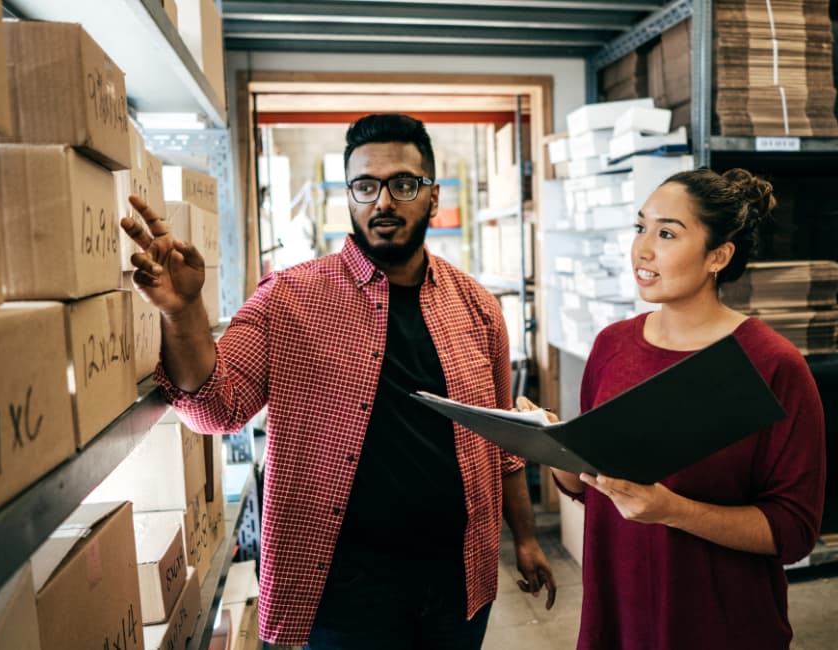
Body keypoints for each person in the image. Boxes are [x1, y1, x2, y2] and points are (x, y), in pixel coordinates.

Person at [120, 113, 556, 649]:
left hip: (458, 578)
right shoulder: (289, 298)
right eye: (365, 186)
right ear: (348, 196)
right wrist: (183, 312)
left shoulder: (478, 307)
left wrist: (527, 538)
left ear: (432, 196)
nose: (383, 203)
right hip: (346, 591)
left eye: (403, 184)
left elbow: (503, 441)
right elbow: (216, 409)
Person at [524, 168, 825, 649]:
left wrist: (674, 511)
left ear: (719, 256)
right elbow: (595, 490)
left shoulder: (772, 365)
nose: (642, 249)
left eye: (666, 233)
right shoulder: (612, 346)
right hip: (618, 621)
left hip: (719, 627)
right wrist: (552, 446)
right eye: (640, 227)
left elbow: (794, 531)